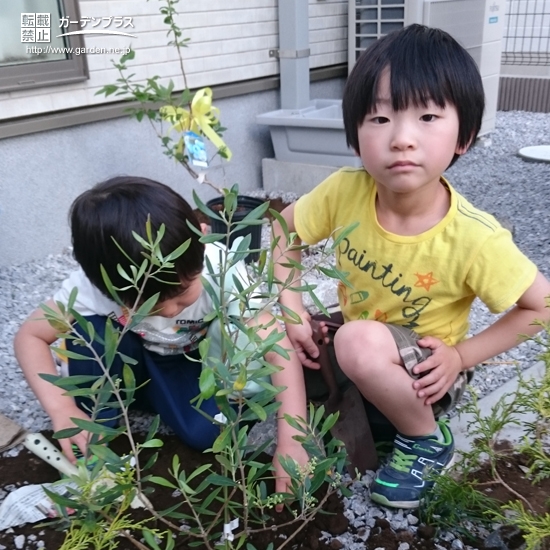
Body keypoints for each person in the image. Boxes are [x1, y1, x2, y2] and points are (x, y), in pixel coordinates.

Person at [272, 24, 550, 509]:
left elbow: (541, 307)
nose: (401, 138)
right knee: (274, 325)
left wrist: (461, 357)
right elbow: (283, 229)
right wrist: (293, 307)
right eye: (379, 119)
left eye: (426, 116)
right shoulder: (345, 190)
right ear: (355, 134)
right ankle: (307, 430)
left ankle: (424, 438)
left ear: (464, 135)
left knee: (354, 340)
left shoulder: (472, 236)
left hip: (429, 373)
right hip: (366, 345)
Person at [14, 176, 309, 495]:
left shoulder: (220, 272)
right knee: (90, 332)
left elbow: (276, 348)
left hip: (187, 360)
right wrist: (62, 409)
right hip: (127, 351)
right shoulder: (90, 290)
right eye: (147, 304)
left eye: (182, 294)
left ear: (202, 238)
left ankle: (150, 398)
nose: (169, 311)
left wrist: (292, 439)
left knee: (209, 436)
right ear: (101, 283)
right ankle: (100, 416)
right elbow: (30, 338)